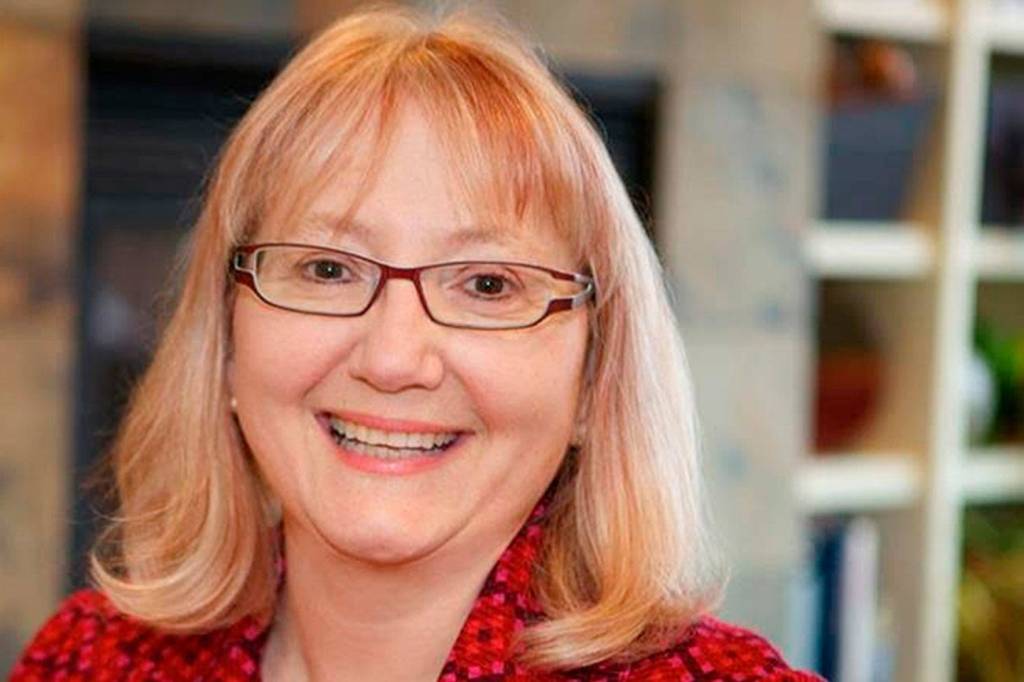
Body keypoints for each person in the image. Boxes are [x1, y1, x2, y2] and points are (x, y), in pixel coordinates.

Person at [12, 6, 822, 681]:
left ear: (593, 377)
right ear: (225, 341)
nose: (394, 359)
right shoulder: (90, 659)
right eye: (327, 269)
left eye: (488, 285)